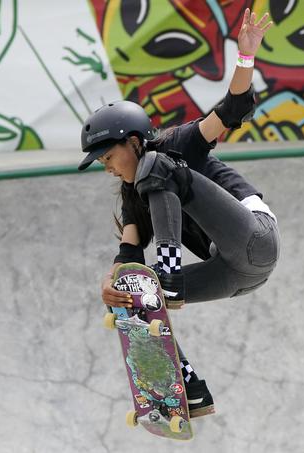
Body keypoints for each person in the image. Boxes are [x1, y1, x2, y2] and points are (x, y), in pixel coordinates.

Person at [78, 9, 279, 418]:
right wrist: (112, 288)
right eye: (101, 164)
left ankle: (168, 274)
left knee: (159, 167)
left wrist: (245, 57)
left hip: (254, 238)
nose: (110, 167)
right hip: (230, 273)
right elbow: (128, 258)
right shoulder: (134, 195)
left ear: (133, 141)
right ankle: (188, 389)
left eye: (110, 156)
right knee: (134, 293)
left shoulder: (176, 145)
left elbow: (233, 108)